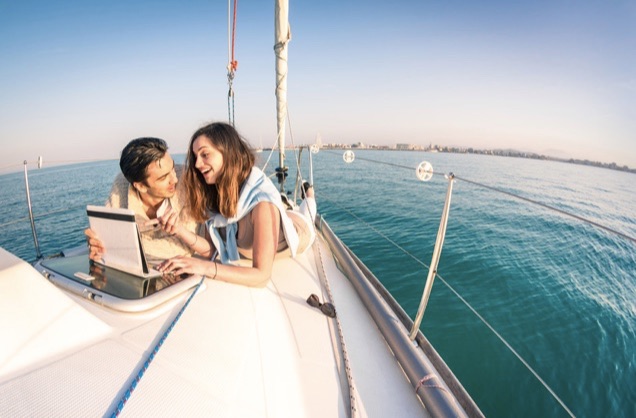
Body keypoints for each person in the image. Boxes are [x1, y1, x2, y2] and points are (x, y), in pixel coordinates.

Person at [157, 122, 317, 287]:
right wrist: (179, 230)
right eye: (196, 157)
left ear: (228, 152)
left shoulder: (263, 205)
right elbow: (213, 249)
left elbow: (261, 276)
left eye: (204, 155)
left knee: (308, 213)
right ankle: (287, 204)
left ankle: (310, 194)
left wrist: (204, 267)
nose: (197, 164)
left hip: (300, 229)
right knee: (285, 209)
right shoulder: (214, 194)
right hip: (270, 218)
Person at [85, 137, 203, 264]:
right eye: (163, 177)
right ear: (140, 186)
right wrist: (96, 241)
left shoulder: (188, 180)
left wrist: (118, 245)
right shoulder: (122, 185)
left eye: (172, 168)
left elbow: (184, 247)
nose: (174, 179)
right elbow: (107, 232)